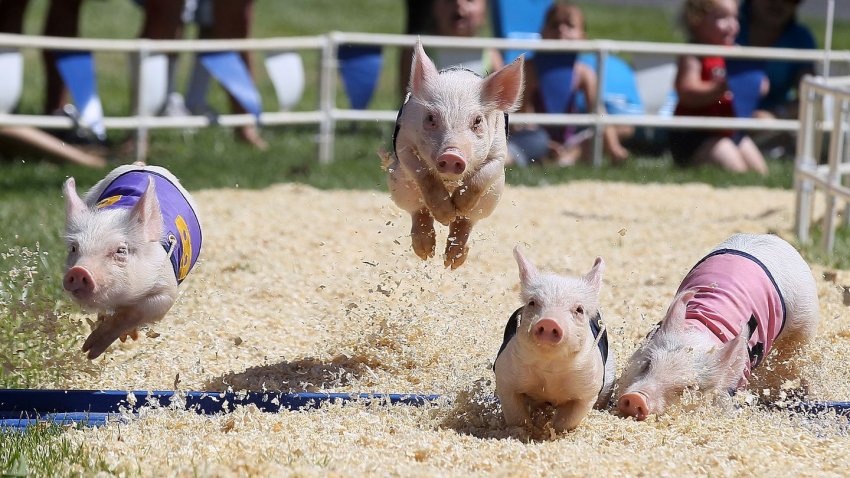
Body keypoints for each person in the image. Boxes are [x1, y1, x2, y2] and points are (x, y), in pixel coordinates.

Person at [509, 1, 629, 167]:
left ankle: (565, 158)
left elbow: (598, 111)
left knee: (614, 130)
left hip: (571, 140)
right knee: (534, 140)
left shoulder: (583, 72)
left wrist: (615, 148)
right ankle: (556, 158)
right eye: (555, 24)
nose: (561, 30)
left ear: (582, 37)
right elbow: (524, 115)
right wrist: (545, 142)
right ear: (542, 33)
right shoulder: (531, 68)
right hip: (536, 136)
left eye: (569, 26)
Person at [669, 0, 768, 174]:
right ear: (696, 20)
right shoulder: (695, 53)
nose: (732, 25)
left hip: (729, 130)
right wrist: (721, 88)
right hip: (698, 134)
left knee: (760, 172)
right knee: (737, 170)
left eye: (735, 17)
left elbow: (759, 82)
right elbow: (687, 91)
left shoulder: (734, 53)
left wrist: (756, 85)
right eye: (722, 17)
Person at [399, 0, 503, 94]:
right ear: (434, 8)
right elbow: (408, 96)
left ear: (484, 14)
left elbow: (501, 96)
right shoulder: (421, 48)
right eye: (449, 0)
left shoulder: (489, 52)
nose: (459, 4)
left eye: (469, 0)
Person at [737, 0, 816, 120]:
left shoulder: (801, 38)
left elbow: (811, 96)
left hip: (773, 130)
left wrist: (776, 114)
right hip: (723, 118)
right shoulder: (726, 27)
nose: (778, 3)